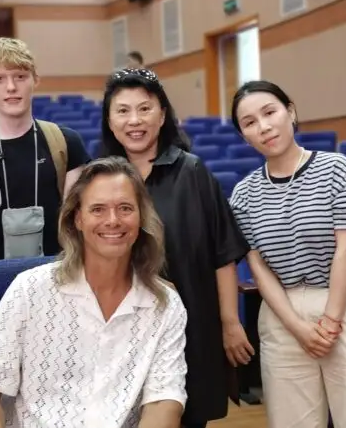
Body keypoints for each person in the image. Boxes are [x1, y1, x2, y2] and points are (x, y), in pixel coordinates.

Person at [0, 156, 188, 427]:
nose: (113, 220)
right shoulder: (29, 290)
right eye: (98, 210)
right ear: (78, 219)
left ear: (141, 217)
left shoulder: (166, 305)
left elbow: (164, 402)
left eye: (125, 208)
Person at [227, 80, 346, 428]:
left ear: (290, 111)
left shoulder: (337, 169)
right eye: (250, 123)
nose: (264, 127)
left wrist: (330, 322)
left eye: (270, 112)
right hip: (282, 313)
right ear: (244, 136)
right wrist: (296, 326)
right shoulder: (243, 195)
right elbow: (258, 269)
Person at [98, 68, 253, 428]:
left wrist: (230, 323)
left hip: (191, 326)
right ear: (109, 120)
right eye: (122, 111)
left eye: (144, 109)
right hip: (122, 331)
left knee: (189, 414)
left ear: (163, 114)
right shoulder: (100, 178)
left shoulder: (192, 172)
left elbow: (222, 255)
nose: (134, 121)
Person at [0, 37, 91, 263]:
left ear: (35, 80)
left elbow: (76, 225)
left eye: (20, 77)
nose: (11, 87)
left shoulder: (66, 142)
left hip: (57, 274)